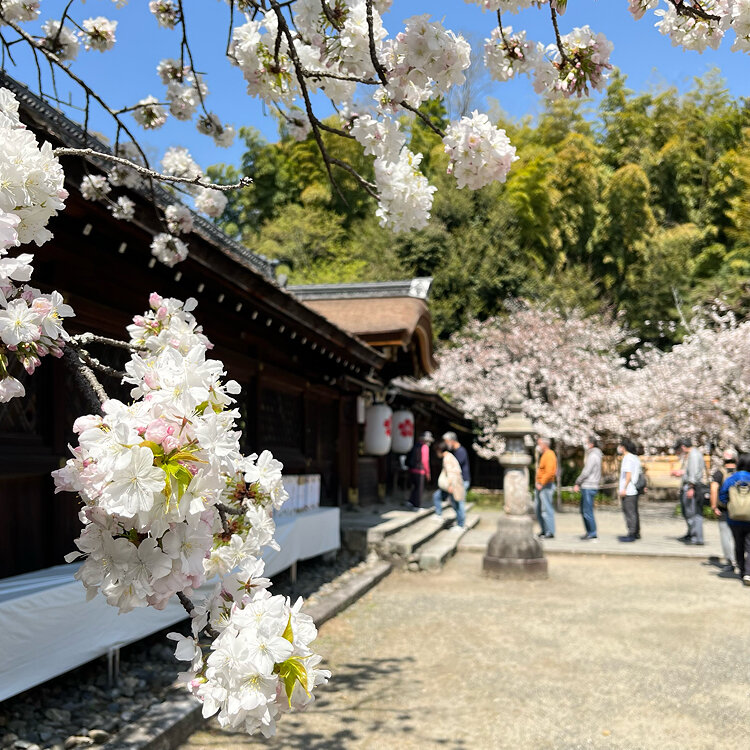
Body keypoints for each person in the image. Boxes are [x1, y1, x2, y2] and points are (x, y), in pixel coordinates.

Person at [718, 453, 750, 586]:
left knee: (739, 544)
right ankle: (748, 572)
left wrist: (729, 506)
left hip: (734, 519)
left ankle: (742, 570)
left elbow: (722, 496)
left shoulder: (731, 479)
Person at [672, 437, 706, 545]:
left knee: (692, 512)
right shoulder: (693, 454)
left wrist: (691, 487)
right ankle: (691, 534)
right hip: (691, 485)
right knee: (690, 512)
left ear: (683, 447)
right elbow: (691, 471)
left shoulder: (694, 455)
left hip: (692, 487)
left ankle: (695, 537)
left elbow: (694, 473)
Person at [710, 449, 738, 571]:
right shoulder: (742, 473)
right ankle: (741, 561)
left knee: (725, 535)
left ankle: (730, 561)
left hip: (724, 509)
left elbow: (714, 489)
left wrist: (713, 506)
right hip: (741, 509)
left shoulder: (719, 473)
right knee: (740, 536)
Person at [574, 436, 602, 540]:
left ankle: (592, 532)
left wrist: (578, 482)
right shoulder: (596, 455)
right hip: (590, 485)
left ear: (591, 444)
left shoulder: (593, 455)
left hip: (589, 486)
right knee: (584, 510)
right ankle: (589, 531)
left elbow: (586, 471)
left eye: (586, 443)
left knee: (587, 510)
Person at [433, 440, 466, 530]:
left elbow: (451, 472)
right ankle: (440, 515)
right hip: (453, 483)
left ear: (440, 450)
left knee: (457, 504)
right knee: (438, 496)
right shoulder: (450, 456)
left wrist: (451, 485)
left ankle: (460, 524)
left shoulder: (447, 458)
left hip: (453, 484)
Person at [617, 437, 642, 543]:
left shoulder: (627, 458)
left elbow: (628, 474)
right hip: (634, 489)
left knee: (629, 512)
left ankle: (631, 533)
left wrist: (623, 488)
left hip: (629, 490)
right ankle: (636, 532)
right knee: (634, 512)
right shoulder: (635, 458)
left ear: (623, 448)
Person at [535, 436, 557, 539]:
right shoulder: (544, 455)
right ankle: (544, 530)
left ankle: (550, 531)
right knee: (538, 509)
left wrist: (541, 483)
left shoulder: (550, 455)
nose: (538, 446)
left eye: (539, 443)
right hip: (541, 485)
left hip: (546, 486)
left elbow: (550, 472)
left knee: (546, 509)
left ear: (544, 444)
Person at [406, 431, 433, 509]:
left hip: (412, 469)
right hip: (420, 470)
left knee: (414, 487)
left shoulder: (415, 445)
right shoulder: (425, 447)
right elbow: (425, 461)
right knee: (419, 489)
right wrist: (428, 472)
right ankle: (417, 505)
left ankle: (410, 501)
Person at [442, 431, 471, 497]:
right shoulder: (455, 451)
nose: (446, 444)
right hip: (458, 480)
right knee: (456, 503)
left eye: (446, 441)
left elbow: (455, 466)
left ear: (452, 441)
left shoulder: (461, 451)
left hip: (462, 480)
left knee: (459, 503)